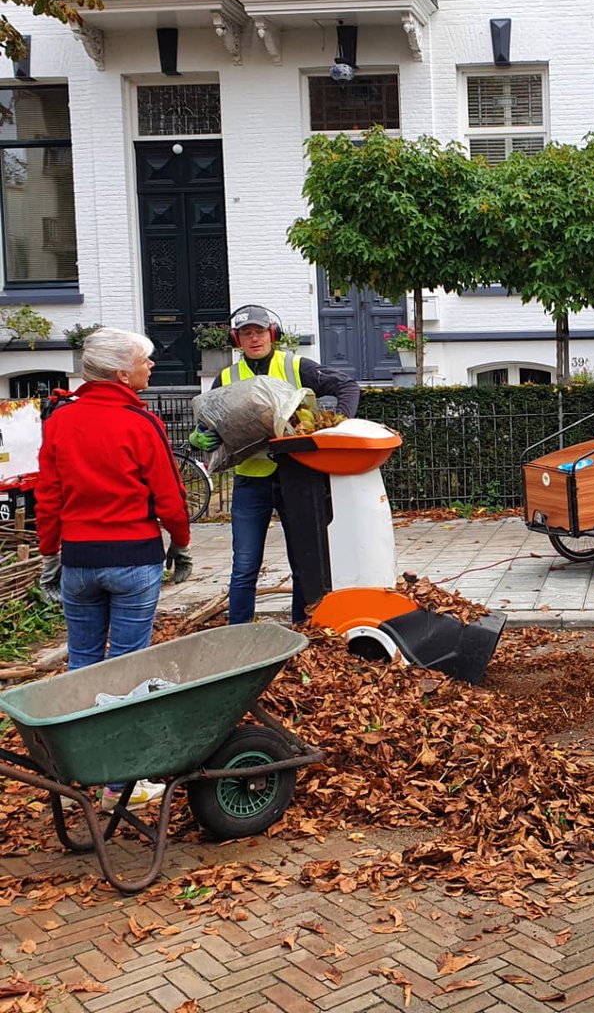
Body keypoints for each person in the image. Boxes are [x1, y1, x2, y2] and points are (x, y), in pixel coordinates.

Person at [35, 327, 190, 810]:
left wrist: (49, 553)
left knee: (83, 665)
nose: (151, 367)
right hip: (132, 559)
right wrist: (180, 542)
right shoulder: (139, 424)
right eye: (145, 361)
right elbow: (168, 495)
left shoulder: (61, 420)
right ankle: (123, 782)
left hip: (80, 560)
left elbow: (49, 493)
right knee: (127, 668)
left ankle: (85, 768)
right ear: (122, 373)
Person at [189, 304, 360, 625]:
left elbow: (347, 386)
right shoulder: (227, 377)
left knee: (303, 560)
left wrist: (339, 423)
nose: (254, 339)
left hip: (298, 477)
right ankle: (238, 634)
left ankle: (302, 627)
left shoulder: (295, 365)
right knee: (244, 564)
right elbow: (208, 423)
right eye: (245, 334)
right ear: (236, 340)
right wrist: (198, 438)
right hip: (251, 481)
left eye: (259, 332)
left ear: (272, 335)